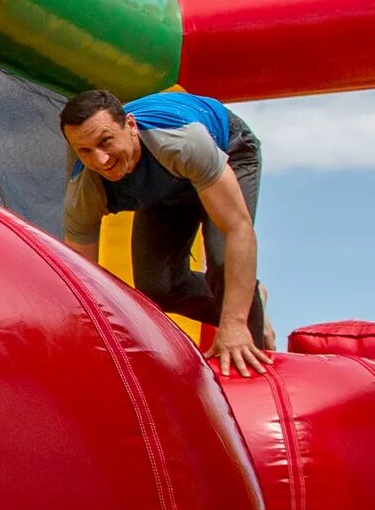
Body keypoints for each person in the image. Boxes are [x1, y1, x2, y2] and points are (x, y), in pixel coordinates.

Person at [59, 88, 273, 375]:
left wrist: (234, 322)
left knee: (224, 265)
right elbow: (82, 282)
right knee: (157, 289)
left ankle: (245, 322)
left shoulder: (182, 141)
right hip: (167, 184)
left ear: (131, 126)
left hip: (227, 149)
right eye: (84, 151)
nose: (100, 160)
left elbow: (238, 228)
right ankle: (250, 296)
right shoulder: (85, 190)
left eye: (106, 141)